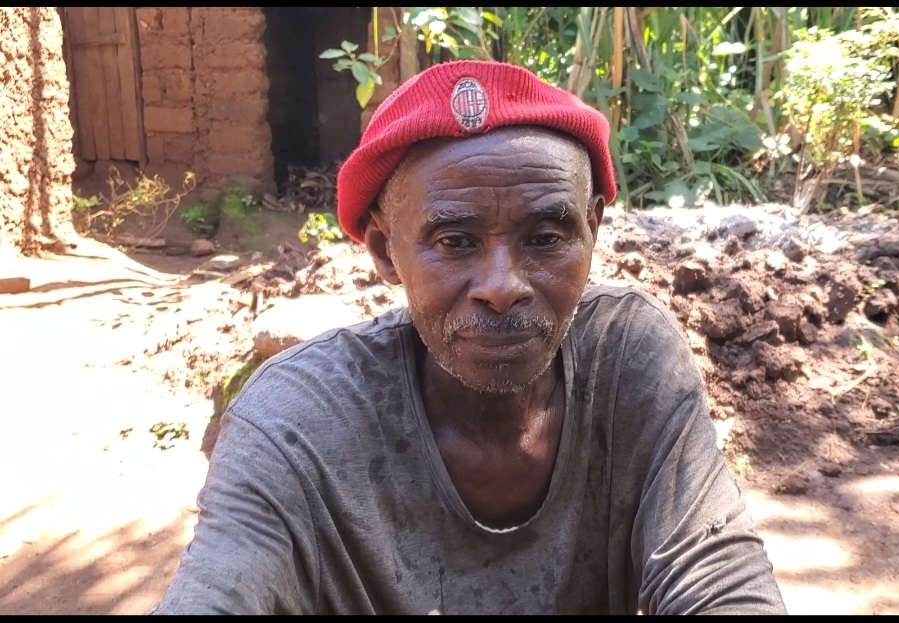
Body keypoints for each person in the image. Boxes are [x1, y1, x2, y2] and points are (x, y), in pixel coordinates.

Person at [149, 60, 787, 615]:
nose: (502, 286)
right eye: (454, 242)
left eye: (546, 238)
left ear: (592, 230)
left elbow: (718, 576)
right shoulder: (295, 423)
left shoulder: (628, 360)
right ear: (386, 251)